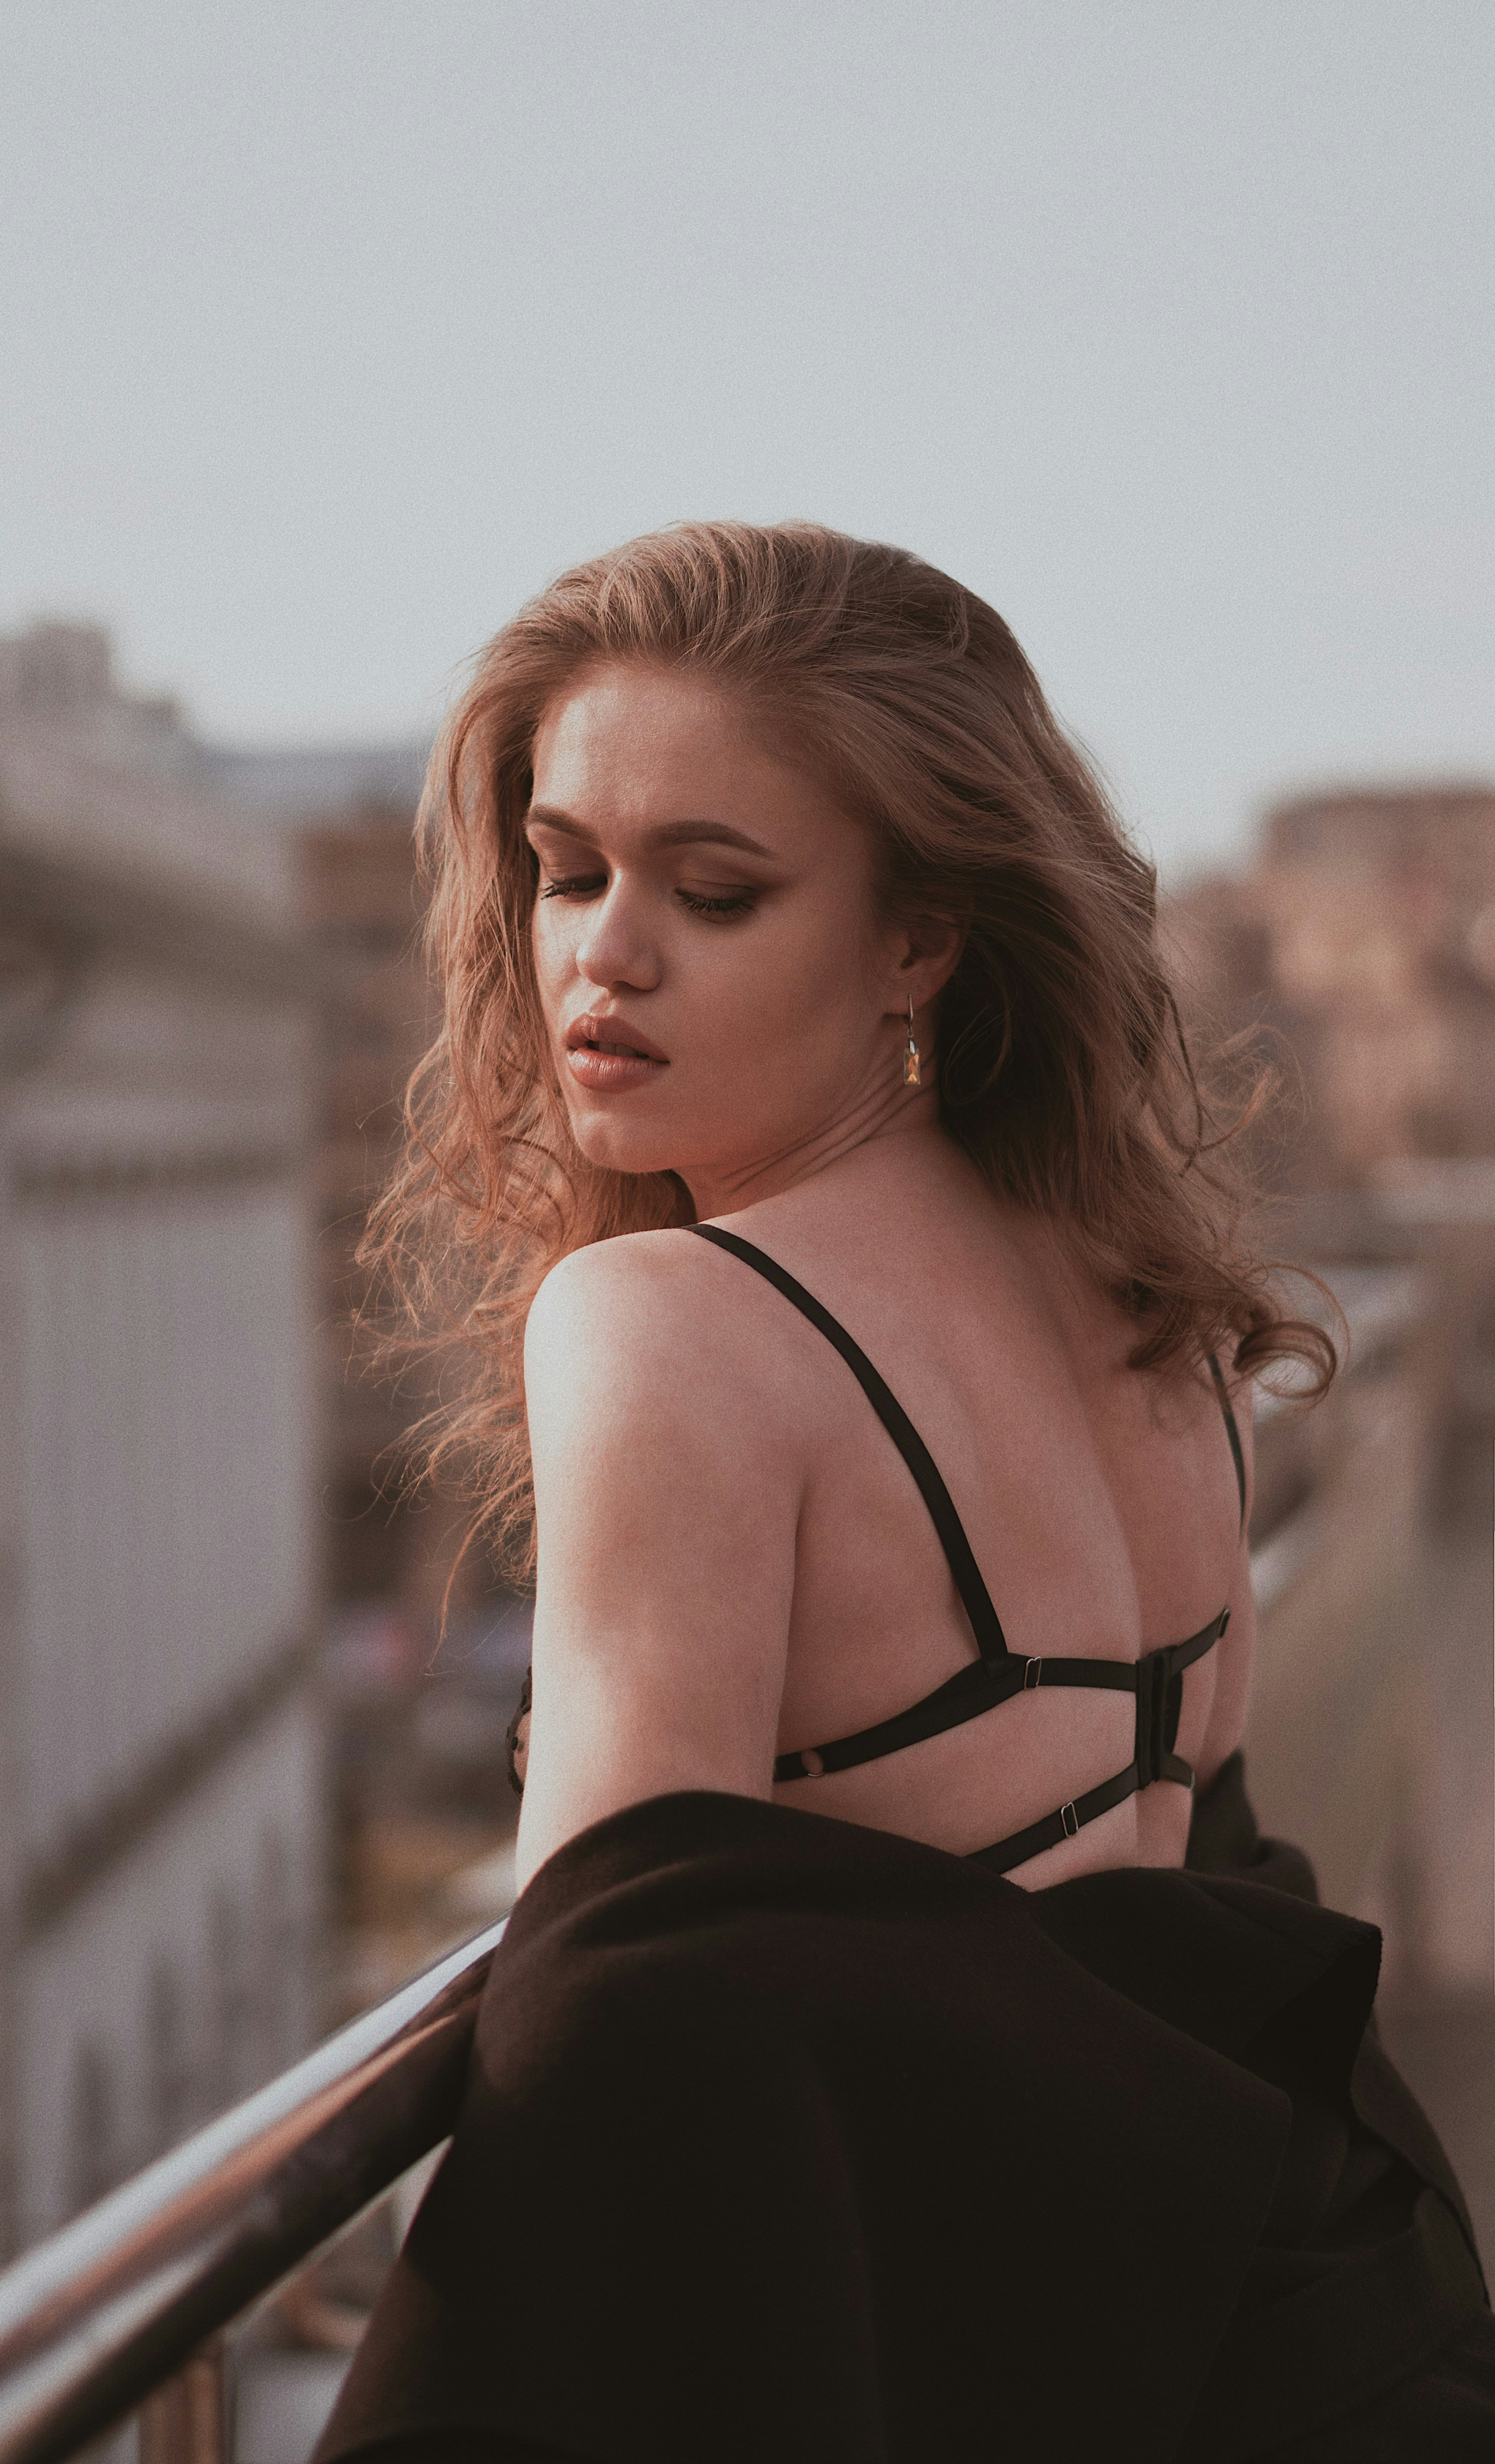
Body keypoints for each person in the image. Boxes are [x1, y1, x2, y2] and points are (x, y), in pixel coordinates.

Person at [317, 523, 1495, 2463]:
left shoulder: (670, 1323)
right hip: (1291, 2347)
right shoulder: (1153, 1317)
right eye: (567, 871)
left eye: (717, 889)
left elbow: (605, 2006)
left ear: (921, 939)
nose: (604, 954)